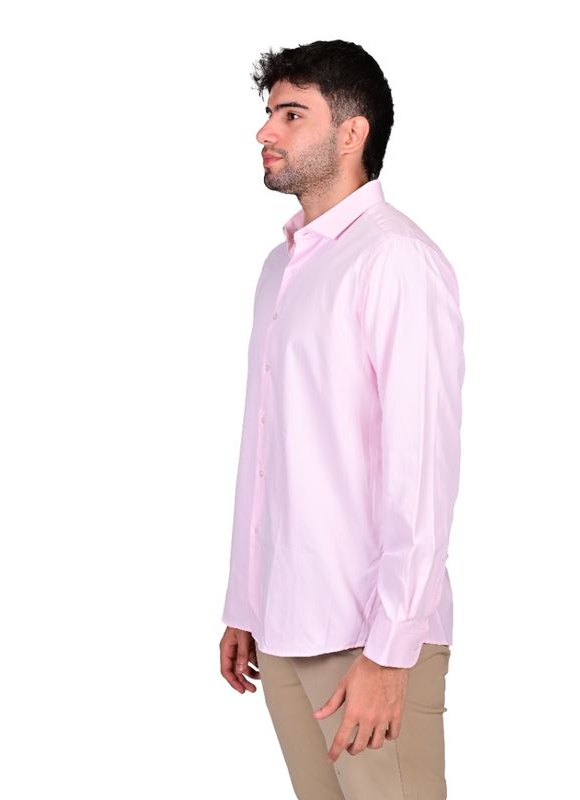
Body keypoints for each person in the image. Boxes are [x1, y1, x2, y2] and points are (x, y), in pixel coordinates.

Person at [218, 39, 465, 799]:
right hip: (282, 631)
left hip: (367, 641)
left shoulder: (395, 261)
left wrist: (392, 651)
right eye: (269, 113)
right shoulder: (282, 267)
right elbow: (269, 452)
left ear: (352, 132)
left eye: (292, 115)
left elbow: (421, 468)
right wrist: (245, 602)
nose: (266, 131)